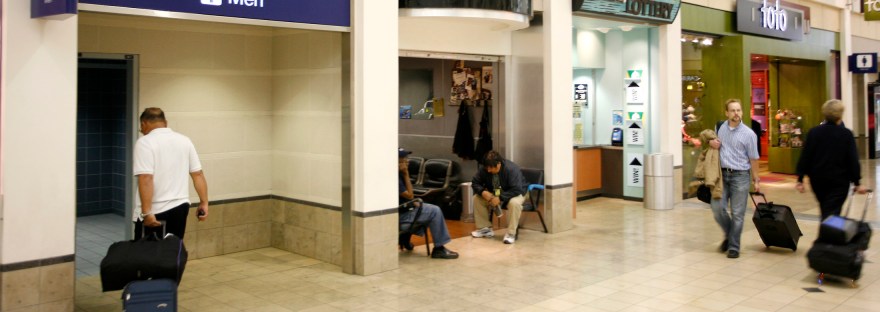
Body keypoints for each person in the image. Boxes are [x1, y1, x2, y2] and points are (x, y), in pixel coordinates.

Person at [134, 107, 209, 240]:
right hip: (180, 208)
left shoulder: (144, 142)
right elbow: (198, 174)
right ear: (165, 122)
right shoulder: (185, 140)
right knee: (172, 251)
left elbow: (146, 178)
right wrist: (204, 203)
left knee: (146, 255)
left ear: (144, 124)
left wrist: (146, 213)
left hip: (155, 211)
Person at [795, 99, 867, 220]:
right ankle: (831, 236)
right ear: (840, 115)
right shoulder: (846, 134)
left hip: (818, 181)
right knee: (832, 213)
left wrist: (800, 178)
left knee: (827, 211)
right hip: (839, 182)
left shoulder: (814, 132)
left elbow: (806, 156)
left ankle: (833, 235)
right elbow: (852, 160)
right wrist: (857, 182)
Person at [708, 99, 759, 259]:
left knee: (737, 213)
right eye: (733, 110)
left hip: (741, 176)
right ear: (726, 113)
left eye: (738, 110)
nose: (736, 113)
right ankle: (731, 236)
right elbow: (712, 142)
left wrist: (756, 179)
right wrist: (711, 142)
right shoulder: (720, 127)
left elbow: (754, 158)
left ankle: (734, 246)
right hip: (722, 175)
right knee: (717, 208)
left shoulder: (749, 134)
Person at [398, 148, 459, 259]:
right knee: (435, 211)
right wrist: (406, 174)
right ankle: (439, 248)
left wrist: (412, 202)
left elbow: (406, 198)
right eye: (404, 160)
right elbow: (410, 195)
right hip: (401, 216)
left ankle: (405, 238)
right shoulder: (397, 178)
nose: (407, 161)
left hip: (404, 210)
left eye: (407, 158)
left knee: (426, 208)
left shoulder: (397, 175)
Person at [470, 150, 529, 244]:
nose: (488, 170)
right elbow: (475, 182)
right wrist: (483, 192)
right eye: (486, 168)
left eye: (490, 168)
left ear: (498, 164)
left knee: (514, 203)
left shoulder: (511, 169)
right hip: (496, 192)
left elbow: (517, 189)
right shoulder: (485, 168)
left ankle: (511, 233)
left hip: (517, 192)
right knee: (477, 198)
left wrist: (500, 198)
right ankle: (485, 229)